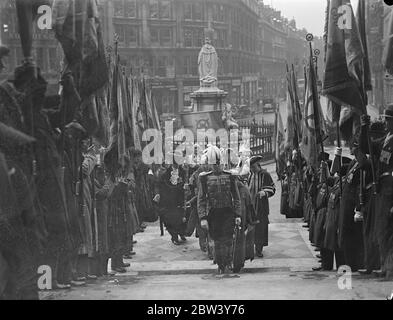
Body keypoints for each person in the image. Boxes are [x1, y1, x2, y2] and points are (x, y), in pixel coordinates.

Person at [360, 106, 393, 280]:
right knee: (382, 229)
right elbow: (368, 147)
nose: (386, 122)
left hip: (390, 190)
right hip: (383, 190)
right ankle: (385, 265)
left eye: (389, 119)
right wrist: (364, 126)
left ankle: (389, 267)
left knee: (387, 229)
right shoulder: (386, 139)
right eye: (386, 119)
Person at [197, 145, 241, 274]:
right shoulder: (204, 178)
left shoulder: (230, 176)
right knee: (217, 241)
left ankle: (227, 263)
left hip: (227, 212)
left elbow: (236, 197)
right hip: (213, 213)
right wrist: (203, 218)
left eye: (218, 164)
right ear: (210, 165)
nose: (217, 167)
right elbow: (201, 199)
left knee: (228, 239)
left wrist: (238, 214)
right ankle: (220, 265)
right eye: (214, 164)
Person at [248, 156, 275, 258]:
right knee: (250, 227)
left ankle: (259, 249)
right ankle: (250, 248)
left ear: (258, 165)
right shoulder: (249, 175)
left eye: (254, 167)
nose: (252, 169)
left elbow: (272, 188)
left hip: (261, 207)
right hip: (250, 205)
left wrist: (265, 192)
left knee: (260, 228)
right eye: (251, 168)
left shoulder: (265, 175)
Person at [154, 161, 187, 245]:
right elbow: (158, 184)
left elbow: (186, 182)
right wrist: (157, 194)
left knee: (182, 216)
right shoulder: (165, 173)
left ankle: (181, 233)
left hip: (180, 198)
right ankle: (174, 236)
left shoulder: (183, 172)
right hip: (168, 199)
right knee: (171, 218)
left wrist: (186, 187)